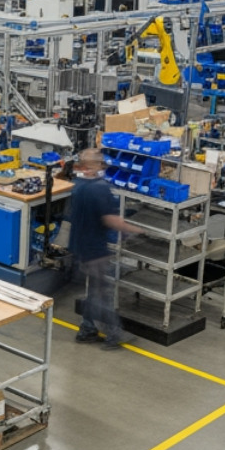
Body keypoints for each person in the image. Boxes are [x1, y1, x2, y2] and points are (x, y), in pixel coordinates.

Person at [67, 148, 135, 350]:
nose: (103, 166)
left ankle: (87, 329)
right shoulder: (99, 188)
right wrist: (134, 230)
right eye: (99, 163)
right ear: (91, 166)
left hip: (80, 246)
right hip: (95, 249)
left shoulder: (78, 186)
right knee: (102, 294)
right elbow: (111, 220)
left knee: (94, 290)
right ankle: (114, 333)